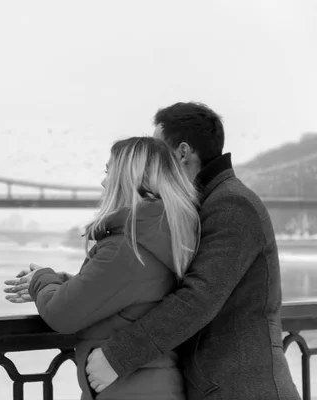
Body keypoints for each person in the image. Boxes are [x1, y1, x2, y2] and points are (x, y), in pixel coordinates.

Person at [80, 102, 300, 400]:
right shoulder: (197, 207)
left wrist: (117, 356)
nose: (150, 161)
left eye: (158, 151)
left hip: (241, 388)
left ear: (182, 153)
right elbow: (150, 282)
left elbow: (198, 298)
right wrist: (72, 285)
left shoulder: (232, 204)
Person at [5, 136, 201, 399]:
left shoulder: (127, 247)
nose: (103, 181)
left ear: (127, 178)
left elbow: (62, 314)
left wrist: (40, 279)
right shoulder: (161, 235)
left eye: (109, 171)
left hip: (129, 390)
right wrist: (61, 283)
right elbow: (126, 294)